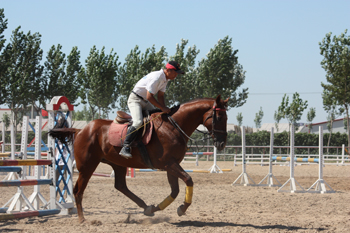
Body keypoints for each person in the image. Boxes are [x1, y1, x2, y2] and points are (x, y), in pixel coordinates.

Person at [119, 61, 185, 159]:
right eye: (175, 72)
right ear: (168, 70)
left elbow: (160, 96)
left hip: (145, 101)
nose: (176, 75)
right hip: (135, 100)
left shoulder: (165, 79)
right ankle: (125, 146)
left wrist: (164, 109)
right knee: (138, 122)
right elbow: (149, 96)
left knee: (158, 118)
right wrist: (162, 108)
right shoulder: (157, 77)